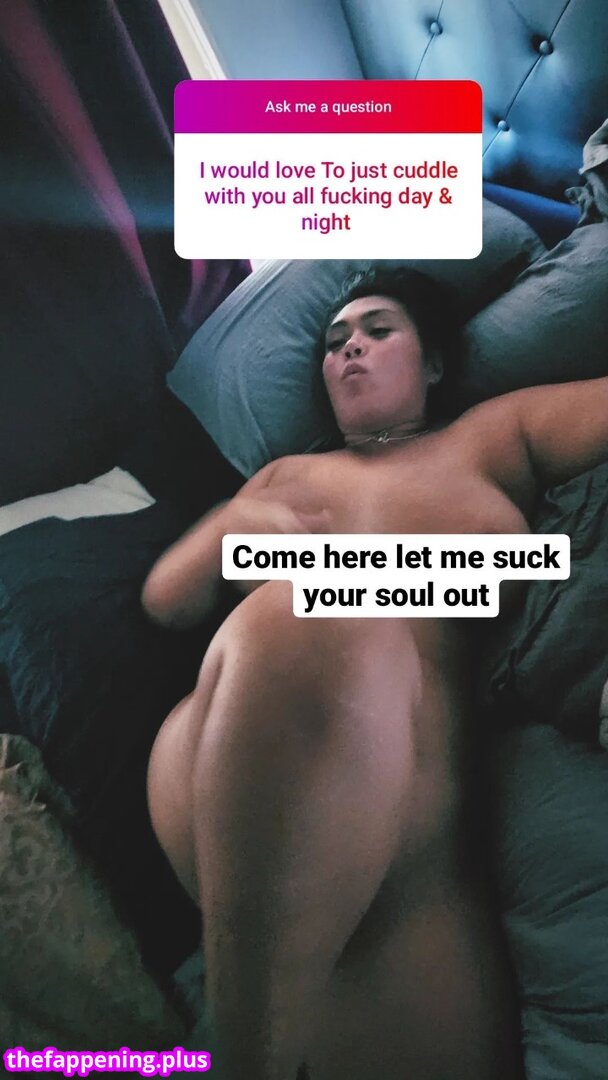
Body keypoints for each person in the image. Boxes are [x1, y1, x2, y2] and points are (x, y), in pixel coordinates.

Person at [142, 267, 608, 1080]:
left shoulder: (492, 436)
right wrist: (227, 526)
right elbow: (166, 601)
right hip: (234, 748)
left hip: (417, 821)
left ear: (435, 363)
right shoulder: (285, 477)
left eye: (377, 330)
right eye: (334, 342)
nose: (349, 348)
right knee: (314, 618)